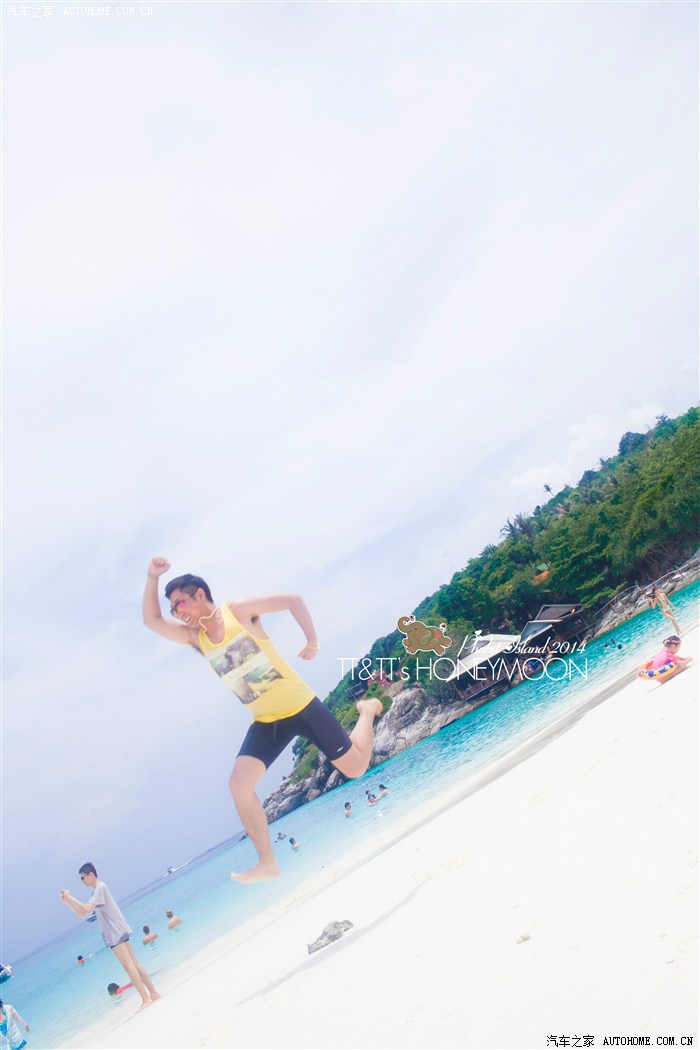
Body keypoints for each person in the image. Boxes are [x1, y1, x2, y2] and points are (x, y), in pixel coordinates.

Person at [143, 557, 383, 884]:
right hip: (267, 720)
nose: (178, 612)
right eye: (174, 609)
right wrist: (152, 577)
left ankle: (366, 712)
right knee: (238, 785)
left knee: (356, 769)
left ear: (199, 594)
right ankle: (267, 861)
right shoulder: (194, 637)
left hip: (300, 705)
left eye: (180, 603)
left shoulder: (238, 612)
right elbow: (151, 620)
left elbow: (293, 600)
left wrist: (312, 642)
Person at [59, 864, 160, 1011]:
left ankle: (145, 998)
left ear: (91, 874)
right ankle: (153, 993)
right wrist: (68, 902)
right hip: (118, 928)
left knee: (129, 966)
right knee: (134, 963)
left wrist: (70, 897)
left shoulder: (99, 888)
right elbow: (82, 913)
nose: (82, 881)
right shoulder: (97, 891)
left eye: (83, 877)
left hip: (113, 931)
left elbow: (86, 909)